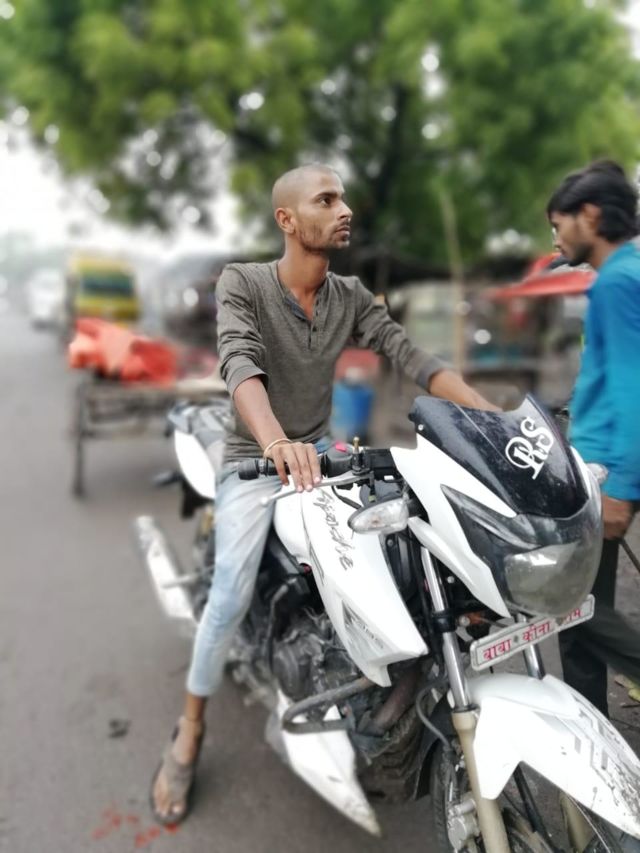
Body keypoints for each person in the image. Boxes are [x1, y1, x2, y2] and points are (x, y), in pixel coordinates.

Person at [151, 163, 496, 824]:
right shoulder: (243, 283)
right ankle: (189, 728)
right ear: (287, 219)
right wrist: (276, 441)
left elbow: (413, 358)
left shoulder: (349, 296)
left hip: (321, 453)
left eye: (343, 199)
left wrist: (490, 419)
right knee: (227, 597)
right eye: (326, 199)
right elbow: (240, 363)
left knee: (394, 548)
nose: (345, 210)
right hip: (256, 458)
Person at [547, 160, 640, 717]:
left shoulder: (617, 283)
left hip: (609, 471)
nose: (556, 240)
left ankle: (593, 732)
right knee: (578, 617)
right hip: (600, 463)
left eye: (559, 225)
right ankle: (592, 730)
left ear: (590, 216)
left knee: (571, 604)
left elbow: (632, 383)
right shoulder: (625, 273)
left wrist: (620, 488)